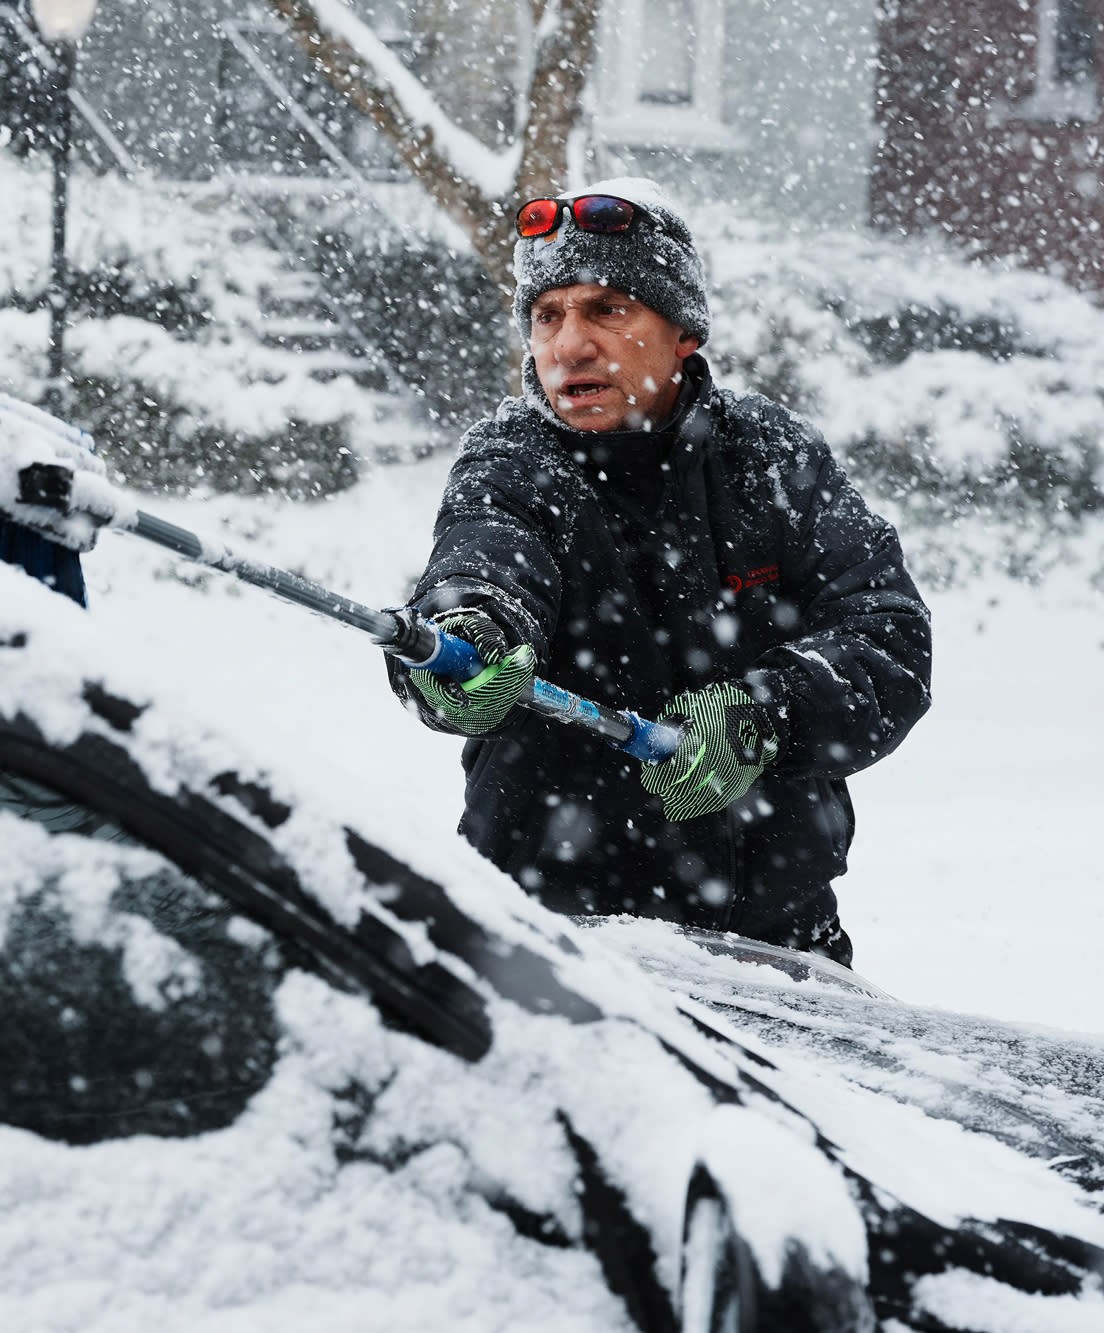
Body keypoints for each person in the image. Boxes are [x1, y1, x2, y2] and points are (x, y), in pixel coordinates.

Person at [383, 179, 930, 965]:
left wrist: (766, 714)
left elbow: (888, 637)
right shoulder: (511, 462)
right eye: (547, 315)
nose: (568, 345)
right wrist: (471, 630)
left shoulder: (769, 456)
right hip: (555, 948)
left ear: (683, 333)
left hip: (777, 949)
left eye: (607, 308)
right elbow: (484, 556)